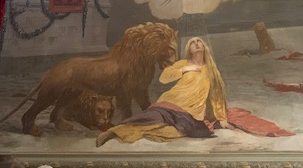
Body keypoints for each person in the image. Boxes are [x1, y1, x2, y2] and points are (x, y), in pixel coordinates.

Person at [96, 37, 234, 146]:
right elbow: (164, 78)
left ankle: (122, 133)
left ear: (204, 47)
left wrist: (222, 118)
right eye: (193, 43)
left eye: (199, 42)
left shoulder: (211, 71)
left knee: (171, 130)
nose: (197, 44)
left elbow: (216, 95)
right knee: (150, 118)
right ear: (189, 49)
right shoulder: (183, 64)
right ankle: (113, 132)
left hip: (191, 109)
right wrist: (184, 70)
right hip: (170, 101)